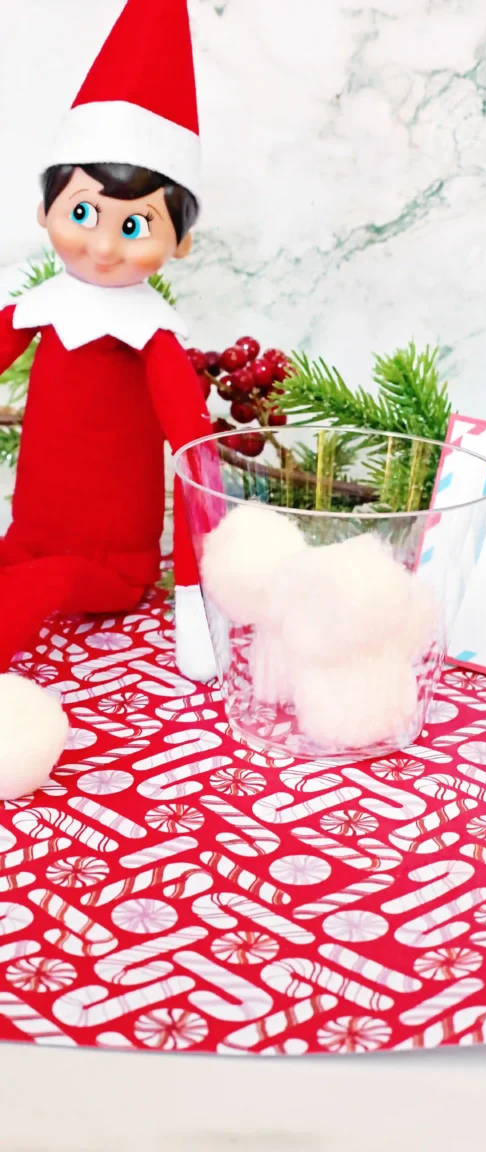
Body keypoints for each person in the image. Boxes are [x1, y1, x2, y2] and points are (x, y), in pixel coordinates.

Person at [0, 0, 215, 794]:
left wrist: (191, 597)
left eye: (134, 226)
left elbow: (197, 461)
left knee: (46, 584)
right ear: (45, 208)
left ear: (178, 242)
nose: (98, 245)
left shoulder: (152, 342)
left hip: (111, 567)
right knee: (28, 567)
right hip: (27, 535)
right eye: (83, 212)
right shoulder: (39, 312)